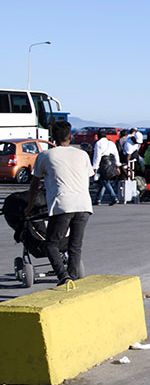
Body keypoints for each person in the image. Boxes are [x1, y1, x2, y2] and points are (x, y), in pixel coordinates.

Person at [26, 121, 94, 285]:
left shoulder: (46, 155)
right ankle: (72, 279)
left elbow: (35, 184)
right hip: (84, 204)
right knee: (75, 246)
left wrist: (29, 207)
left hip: (62, 204)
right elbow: (88, 180)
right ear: (70, 136)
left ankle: (64, 277)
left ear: (52, 138)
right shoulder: (82, 154)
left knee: (51, 245)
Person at [91, 130, 120, 206]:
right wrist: (117, 165)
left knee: (105, 181)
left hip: (103, 163)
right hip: (111, 162)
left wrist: (95, 167)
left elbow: (97, 156)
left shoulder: (98, 143)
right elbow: (116, 154)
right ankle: (98, 199)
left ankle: (114, 197)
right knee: (104, 181)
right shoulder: (111, 143)